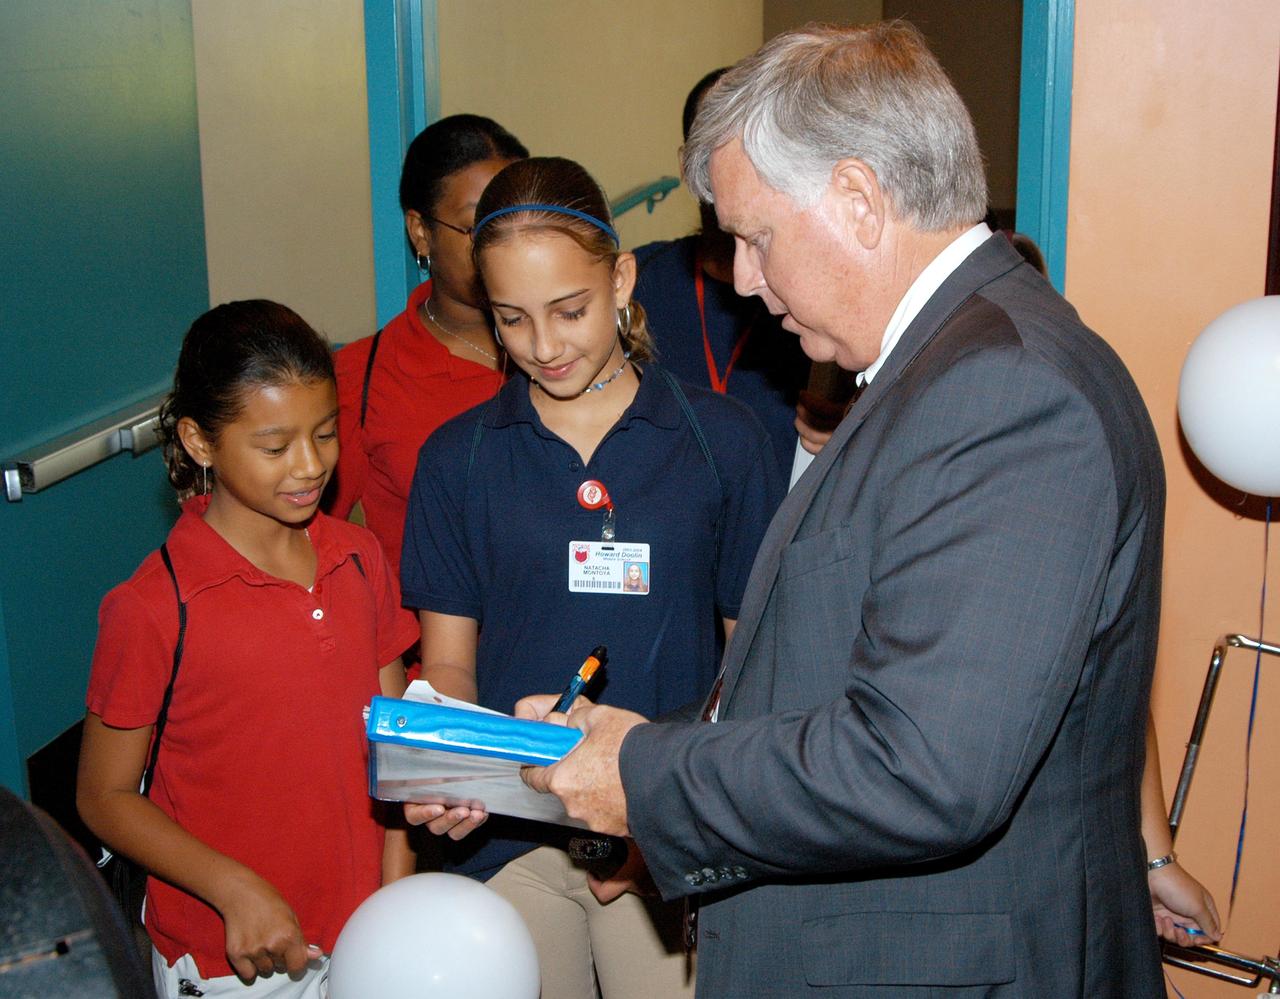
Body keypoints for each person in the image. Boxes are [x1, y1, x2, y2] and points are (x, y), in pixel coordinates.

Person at [516, 23, 1206, 996]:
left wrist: (647, 775)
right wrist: (638, 744)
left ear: (855, 199)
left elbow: (921, 767)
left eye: (754, 237)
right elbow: (828, 674)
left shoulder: (1005, 390)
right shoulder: (945, 368)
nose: (744, 281)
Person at [399, 156, 783, 999]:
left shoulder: (724, 441)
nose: (544, 346)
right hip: (510, 838)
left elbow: (750, 670)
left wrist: (672, 808)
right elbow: (449, 666)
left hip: (662, 835)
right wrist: (450, 768)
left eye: (569, 310)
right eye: (512, 319)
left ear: (621, 279)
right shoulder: (457, 460)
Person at [77, 301, 419, 997]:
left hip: (367, 930)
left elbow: (397, 744)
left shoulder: (358, 557)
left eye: (325, 433)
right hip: (236, 958)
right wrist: (232, 887)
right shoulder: (153, 606)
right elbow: (103, 795)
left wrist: (396, 892)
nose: (310, 464)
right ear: (200, 441)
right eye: (274, 446)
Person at [327, 114, 528, 594]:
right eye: (478, 223)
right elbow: (315, 547)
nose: (503, 242)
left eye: (517, 218)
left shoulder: (570, 353)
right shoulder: (363, 376)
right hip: (422, 651)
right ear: (421, 232)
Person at [631, 68, 808, 475]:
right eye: (717, 140)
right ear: (687, 163)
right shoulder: (634, 284)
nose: (740, 161)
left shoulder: (814, 292)